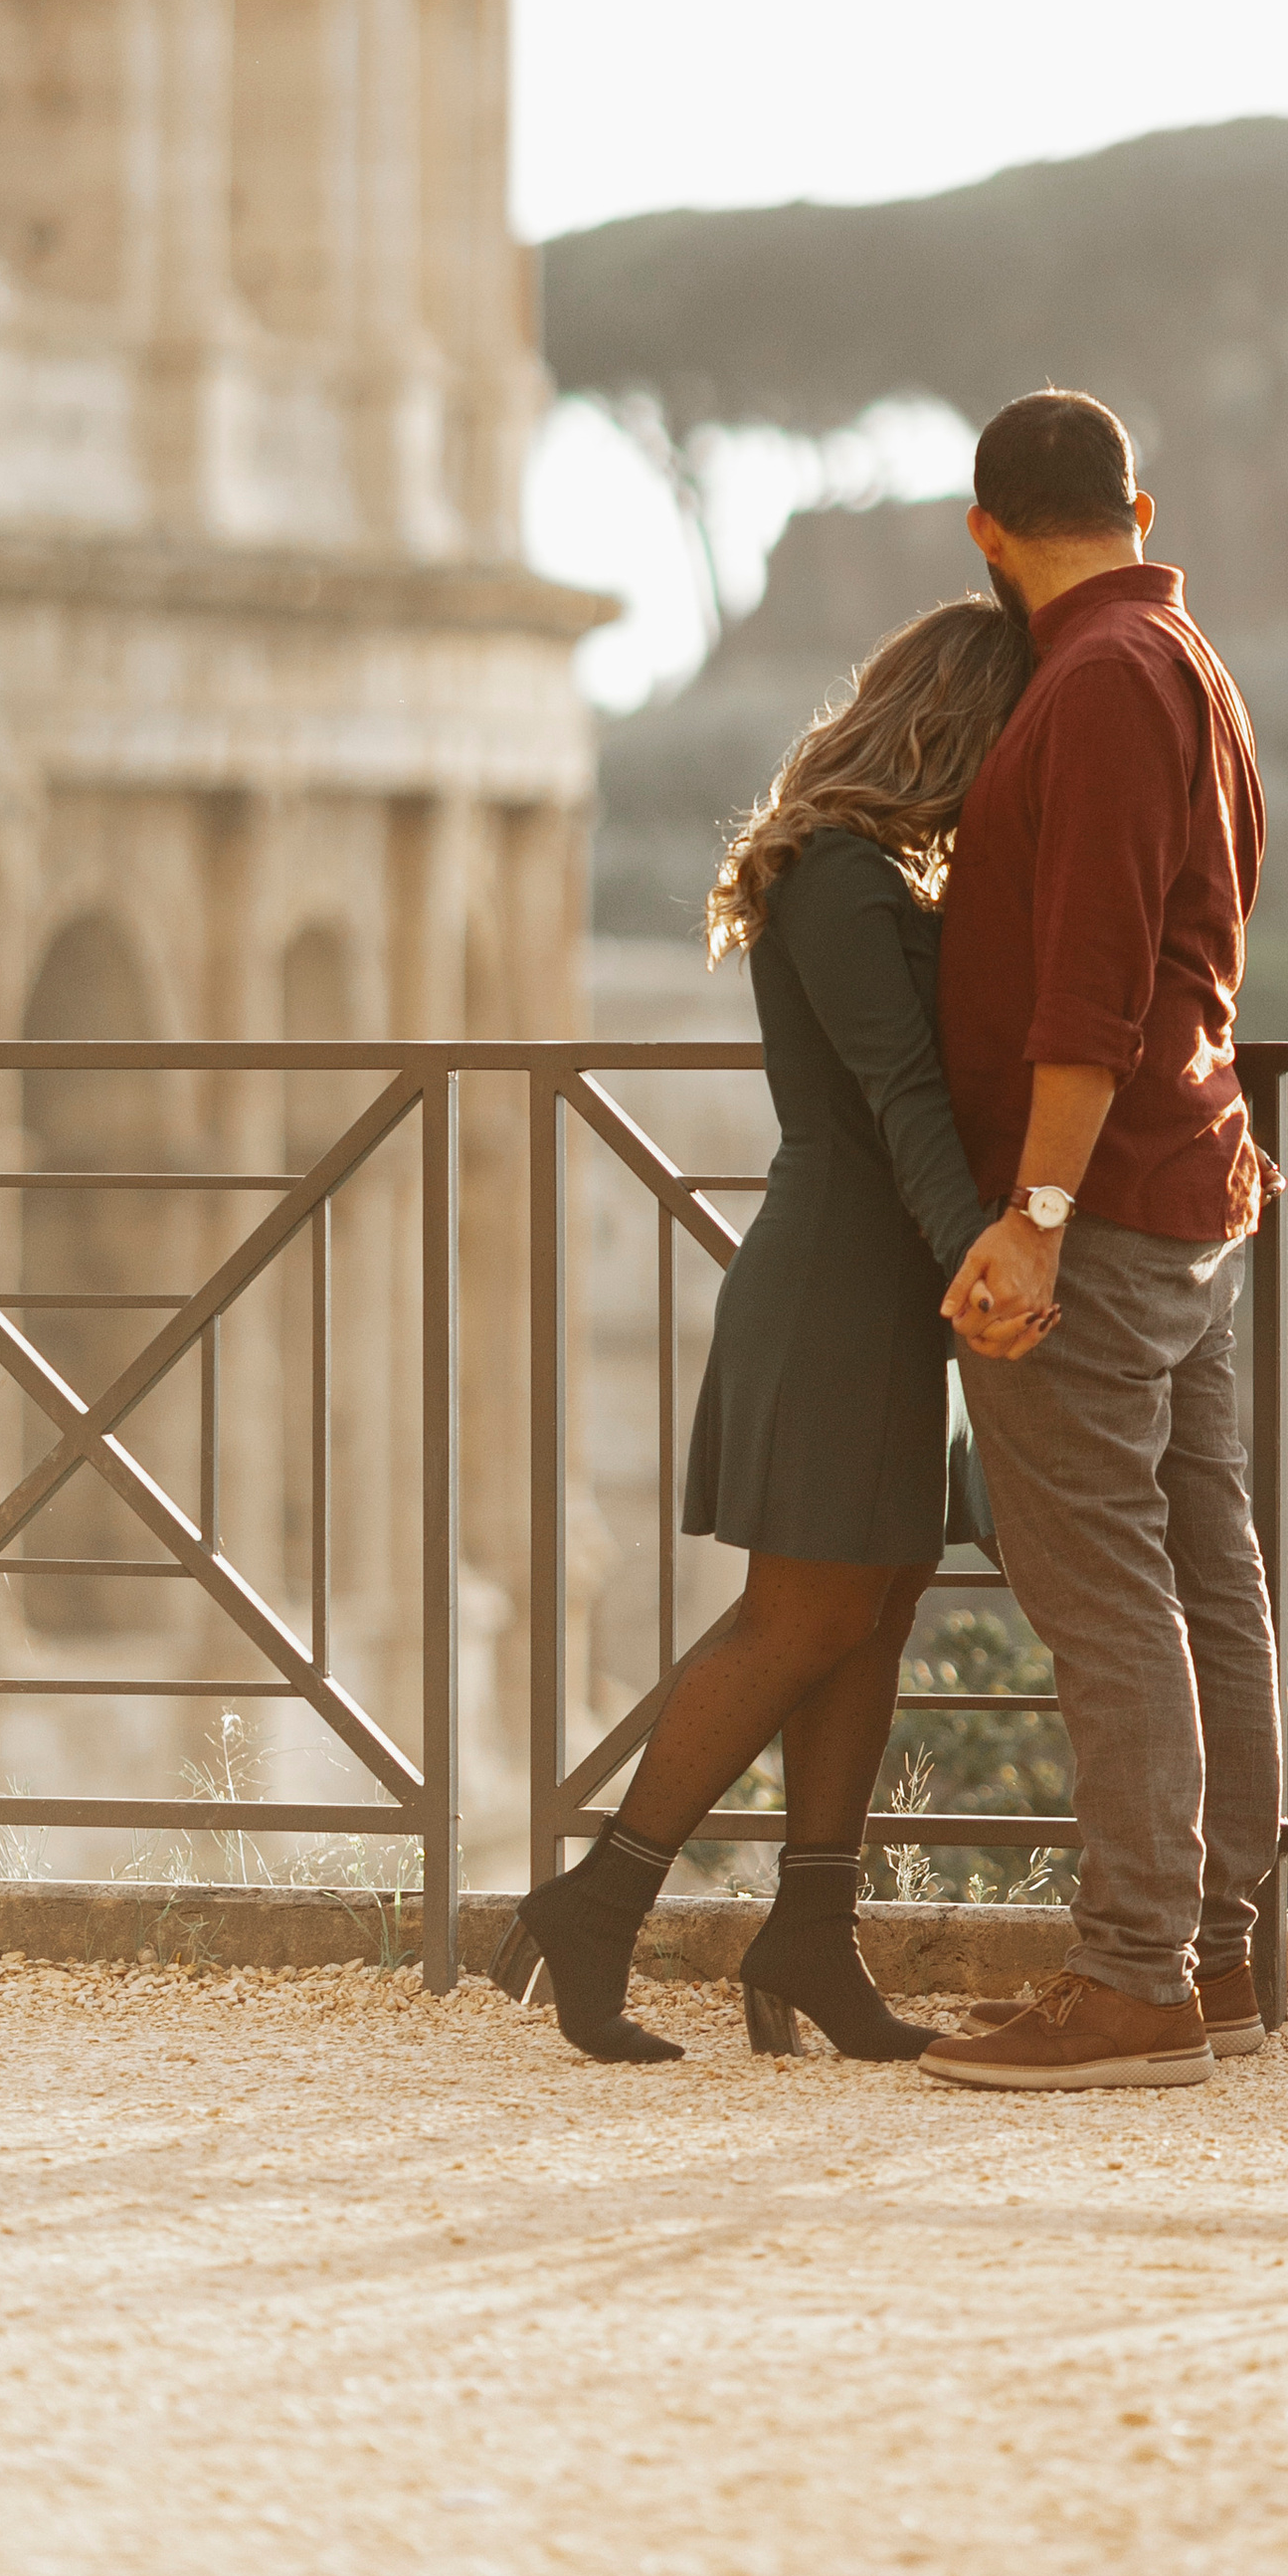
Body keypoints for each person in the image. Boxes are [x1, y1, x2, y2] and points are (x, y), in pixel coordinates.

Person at [492, 594, 1041, 2066]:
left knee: (876, 1599)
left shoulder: (875, 880)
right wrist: (982, 1263)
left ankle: (810, 1928)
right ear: (962, 726)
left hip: (882, 1285)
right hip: (841, 1284)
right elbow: (898, 1098)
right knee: (801, 1610)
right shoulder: (842, 881)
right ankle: (597, 1902)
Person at [918, 389, 1284, 2093]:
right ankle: (1206, 1952)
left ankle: (1138, 1974)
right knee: (1206, 1573)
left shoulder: (1099, 685)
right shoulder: (1188, 666)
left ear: (986, 534)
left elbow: (1096, 985)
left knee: (1113, 1592)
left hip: (1114, 1201)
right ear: (1137, 502)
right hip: (1194, 1187)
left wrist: (1036, 1217)